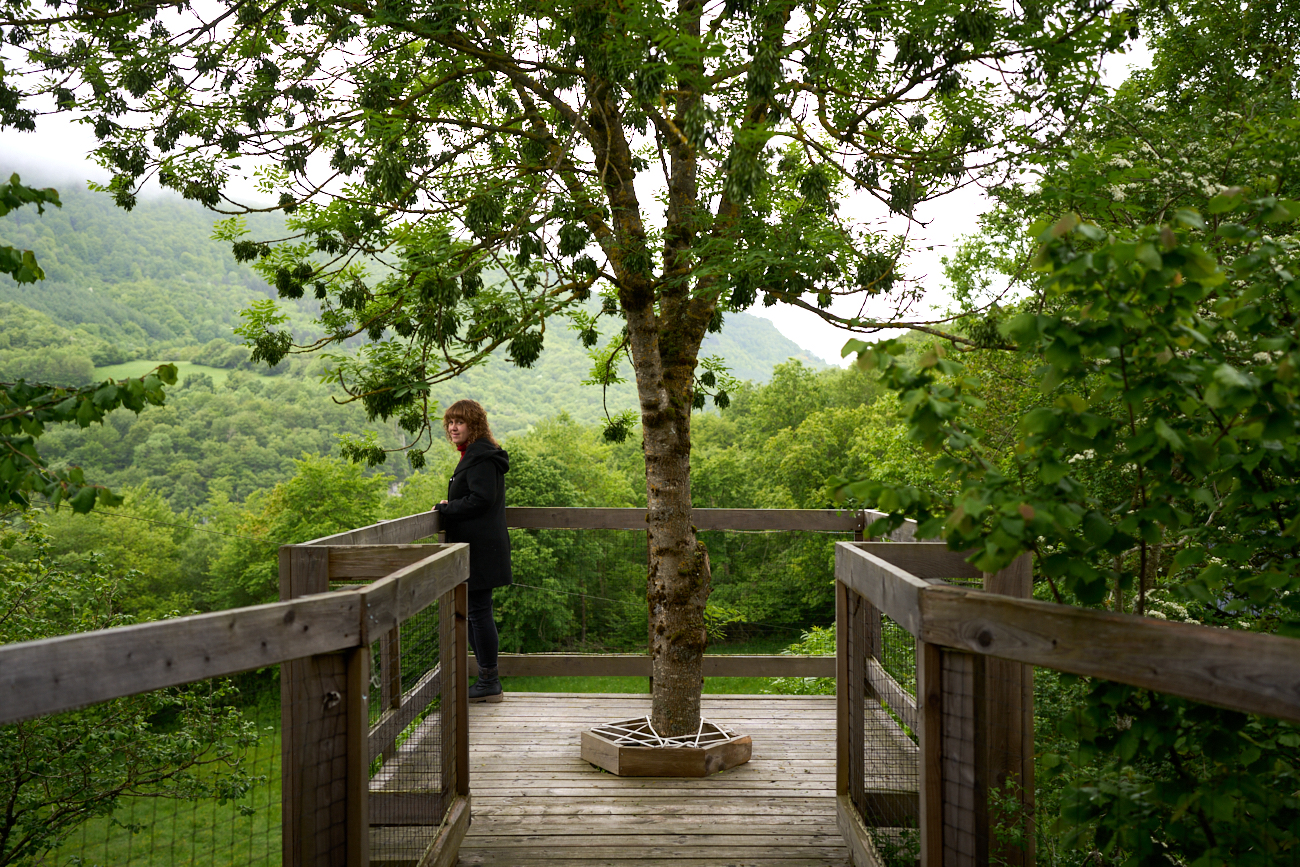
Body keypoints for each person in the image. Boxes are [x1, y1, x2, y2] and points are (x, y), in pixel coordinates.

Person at [433, 399, 511, 703]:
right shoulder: (477, 453)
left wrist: (448, 508)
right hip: (481, 547)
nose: (453, 428)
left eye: (460, 422)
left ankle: (489, 681)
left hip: (480, 549)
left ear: (474, 425)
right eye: (450, 422)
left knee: (479, 613)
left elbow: (481, 499)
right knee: (477, 612)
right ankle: (487, 679)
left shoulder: (480, 457)